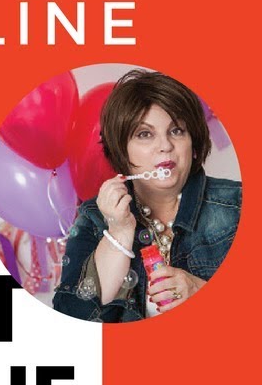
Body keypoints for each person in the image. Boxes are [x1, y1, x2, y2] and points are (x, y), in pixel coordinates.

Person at [53, 70, 241, 321]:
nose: (165, 146)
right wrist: (119, 232)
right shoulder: (94, 217)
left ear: (193, 144)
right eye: (144, 134)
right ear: (122, 151)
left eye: (177, 131)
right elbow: (71, 318)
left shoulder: (238, 204)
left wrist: (201, 291)